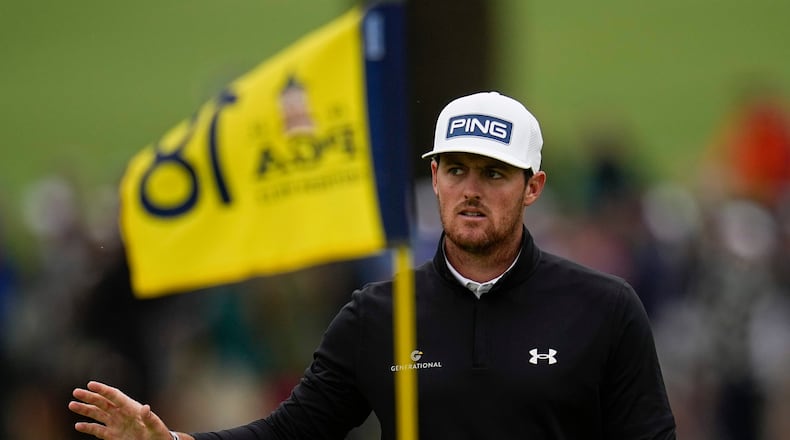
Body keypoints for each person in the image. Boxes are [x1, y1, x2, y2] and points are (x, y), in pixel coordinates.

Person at [69, 91, 677, 439]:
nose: (472, 190)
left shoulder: (604, 308)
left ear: (533, 187)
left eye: (494, 174)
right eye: (457, 170)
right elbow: (292, 435)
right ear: (433, 178)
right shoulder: (379, 315)